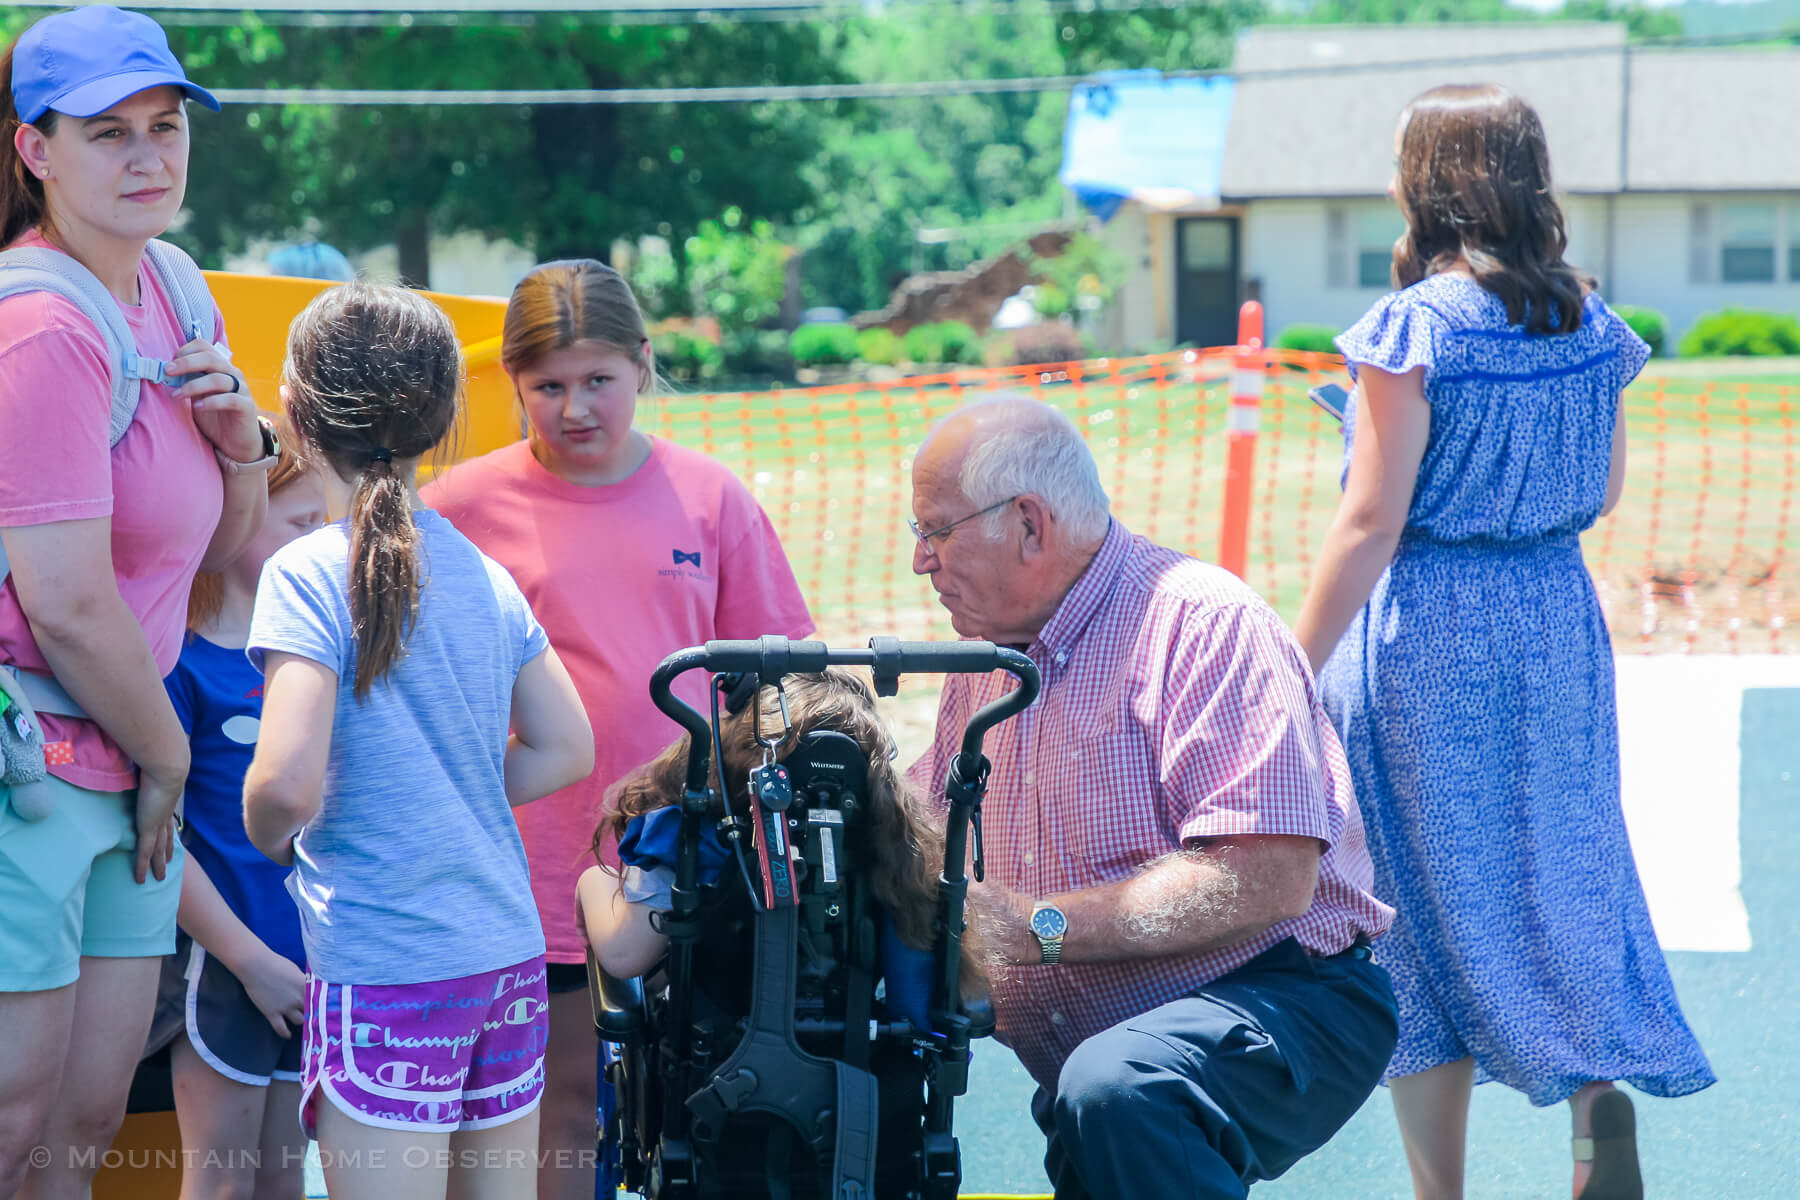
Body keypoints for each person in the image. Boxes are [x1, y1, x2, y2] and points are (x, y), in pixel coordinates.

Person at [1292, 84, 1714, 1200]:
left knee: (1416, 910)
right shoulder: (1589, 315)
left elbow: (1372, 519)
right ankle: (1592, 1102)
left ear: (1426, 181)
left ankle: (1443, 1192)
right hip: (1555, 620)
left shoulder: (1414, 326)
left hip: (1427, 625)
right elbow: (1608, 487)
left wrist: (1290, 663)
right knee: (1570, 871)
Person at [905, 394, 1397, 1200]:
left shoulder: (1204, 624)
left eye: (936, 531)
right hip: (1107, 1062)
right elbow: (919, 825)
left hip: (1291, 997)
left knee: (1121, 1087)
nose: (921, 562)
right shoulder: (992, 658)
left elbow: (1268, 876)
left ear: (1029, 524)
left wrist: (1037, 929)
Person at [421, 257, 812, 1199]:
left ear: (643, 364)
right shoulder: (456, 510)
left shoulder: (711, 499)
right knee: (560, 1111)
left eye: (598, 379)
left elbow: (785, 679)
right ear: (512, 386)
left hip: (696, 861)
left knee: (698, 1103)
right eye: (547, 386)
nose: (576, 407)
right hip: (529, 860)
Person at [241, 283, 595, 1200]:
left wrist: (266, 830)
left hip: (390, 966)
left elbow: (283, 784)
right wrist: (446, 792)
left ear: (294, 409)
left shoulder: (305, 572)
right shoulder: (482, 571)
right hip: (505, 958)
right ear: (446, 417)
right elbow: (566, 748)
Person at [0, 8, 269, 1195]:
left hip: (130, 754)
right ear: (35, 151)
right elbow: (63, 602)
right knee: (12, 1123)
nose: (150, 157)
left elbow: (225, 556)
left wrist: (242, 446)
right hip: (38, 763)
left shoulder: (174, 284)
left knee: (86, 1123)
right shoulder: (42, 326)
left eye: (166, 128)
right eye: (108, 134)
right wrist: (167, 758)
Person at [144, 435, 324, 1200]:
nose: (320, 545)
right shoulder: (181, 663)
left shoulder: (310, 662)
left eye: (325, 523)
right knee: (221, 1181)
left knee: (286, 1179)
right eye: (298, 525)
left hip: (309, 968)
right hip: (228, 965)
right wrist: (249, 961)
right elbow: (157, 841)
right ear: (233, 515)